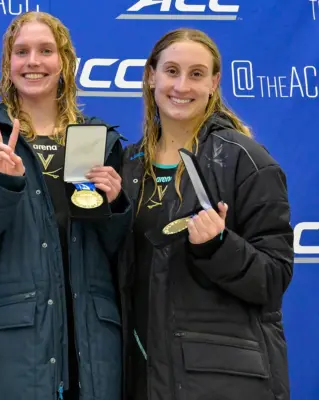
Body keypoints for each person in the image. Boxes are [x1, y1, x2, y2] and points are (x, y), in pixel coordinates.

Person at [0, 11, 129, 400]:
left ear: (65, 62)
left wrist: (116, 205)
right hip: (12, 352)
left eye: (45, 51)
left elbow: (121, 254)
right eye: (21, 52)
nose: (33, 62)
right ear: (8, 64)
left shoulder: (100, 140)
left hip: (91, 352)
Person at [119, 28, 293, 400]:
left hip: (221, 381)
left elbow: (274, 277)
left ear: (213, 83)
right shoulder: (128, 166)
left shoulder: (246, 160)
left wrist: (218, 246)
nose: (182, 86)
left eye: (196, 74)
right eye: (171, 71)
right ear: (151, 76)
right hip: (144, 377)